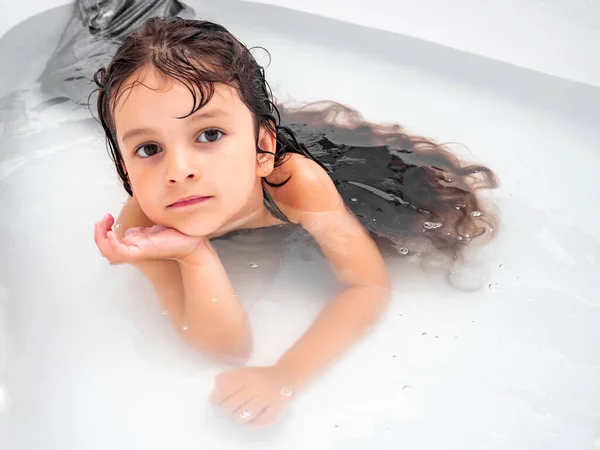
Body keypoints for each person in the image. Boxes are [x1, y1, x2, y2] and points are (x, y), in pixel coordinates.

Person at [92, 16, 497, 428]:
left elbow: (368, 285)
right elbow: (224, 350)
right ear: (125, 171)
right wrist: (193, 257)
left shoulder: (298, 185)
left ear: (262, 149)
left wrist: (286, 376)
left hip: (321, 170)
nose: (178, 171)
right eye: (148, 148)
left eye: (209, 135)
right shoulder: (141, 228)